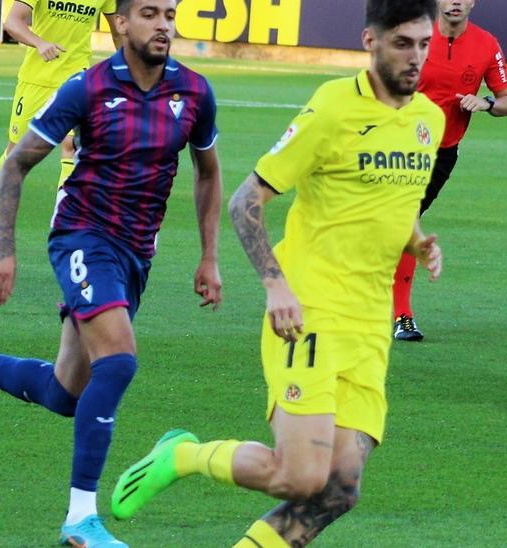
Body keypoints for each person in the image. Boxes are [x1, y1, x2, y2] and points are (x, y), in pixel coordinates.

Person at [108, 1, 444, 546]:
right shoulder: (332, 109)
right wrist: (275, 284)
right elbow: (246, 202)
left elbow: (395, 199)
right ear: (370, 41)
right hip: (309, 313)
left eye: (424, 44)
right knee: (300, 477)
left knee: (338, 490)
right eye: (403, 44)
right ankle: (183, 454)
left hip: (369, 327)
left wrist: (417, 240)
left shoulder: (427, 118)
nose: (416, 57)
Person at [0, 1, 224, 545]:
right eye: (149, 12)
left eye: (170, 12)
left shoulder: (194, 92)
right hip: (82, 236)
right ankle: (80, 520)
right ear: (121, 23)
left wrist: (209, 256)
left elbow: (208, 173)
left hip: (136, 253)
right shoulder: (87, 87)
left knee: (65, 393)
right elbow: (18, 162)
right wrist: (4, 248)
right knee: (117, 363)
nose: (164, 24)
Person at [391, 0, 507, 342]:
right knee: (404, 219)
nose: (456, 1)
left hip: (442, 154)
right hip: (400, 146)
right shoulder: (415, 33)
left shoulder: (486, 45)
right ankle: (402, 316)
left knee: (400, 222)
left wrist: (486, 103)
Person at [0, 0, 120, 252]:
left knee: (72, 145)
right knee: (16, 154)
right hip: (36, 80)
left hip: (76, 79)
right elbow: (13, 21)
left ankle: (66, 228)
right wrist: (39, 42)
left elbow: (118, 32)